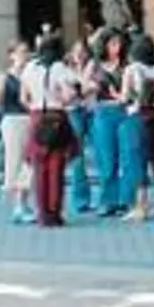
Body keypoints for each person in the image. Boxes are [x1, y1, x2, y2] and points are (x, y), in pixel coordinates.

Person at [21, 33, 79, 227]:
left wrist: (33, 106)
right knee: (56, 167)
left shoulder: (30, 68)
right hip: (57, 117)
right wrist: (64, 100)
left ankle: (42, 213)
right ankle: (54, 212)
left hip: (37, 117)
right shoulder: (61, 69)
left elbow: (23, 97)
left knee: (39, 167)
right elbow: (70, 93)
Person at [119, 34, 154, 223]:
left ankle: (141, 207)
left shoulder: (132, 69)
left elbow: (125, 97)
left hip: (137, 118)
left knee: (138, 160)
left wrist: (119, 96)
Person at [0, 41, 34, 225]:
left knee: (29, 162)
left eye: (26, 51)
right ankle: (19, 205)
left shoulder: (31, 75)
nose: (25, 55)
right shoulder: (5, 77)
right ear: (12, 55)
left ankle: (23, 202)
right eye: (21, 52)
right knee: (15, 161)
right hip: (12, 120)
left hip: (30, 119)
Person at [88, 30, 129, 216]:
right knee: (106, 158)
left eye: (118, 43)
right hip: (103, 112)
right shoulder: (96, 66)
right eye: (112, 43)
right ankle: (107, 200)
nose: (116, 47)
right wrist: (91, 87)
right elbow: (84, 84)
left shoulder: (127, 65)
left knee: (126, 157)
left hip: (124, 111)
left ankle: (125, 199)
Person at [63, 40, 94, 212]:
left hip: (91, 111)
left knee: (103, 154)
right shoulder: (65, 68)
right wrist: (83, 86)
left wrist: (81, 87)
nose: (80, 54)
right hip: (73, 112)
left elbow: (89, 87)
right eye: (76, 51)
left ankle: (109, 200)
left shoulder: (93, 66)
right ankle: (81, 200)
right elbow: (74, 91)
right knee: (78, 158)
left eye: (83, 51)